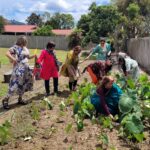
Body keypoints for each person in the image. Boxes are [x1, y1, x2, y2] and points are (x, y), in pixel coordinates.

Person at [2, 36, 35, 109]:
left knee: (23, 85)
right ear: (21, 41)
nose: (26, 42)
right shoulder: (15, 47)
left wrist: (33, 56)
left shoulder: (25, 48)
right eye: (25, 41)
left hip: (26, 69)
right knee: (14, 85)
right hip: (18, 70)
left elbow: (28, 57)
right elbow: (7, 53)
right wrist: (13, 59)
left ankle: (20, 99)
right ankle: (5, 100)